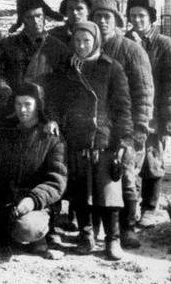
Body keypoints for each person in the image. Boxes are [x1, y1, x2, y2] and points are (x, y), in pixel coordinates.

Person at [47, 22, 133, 260]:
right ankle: (86, 236)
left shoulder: (111, 68)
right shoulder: (66, 69)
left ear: (96, 41)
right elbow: (54, 101)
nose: (82, 46)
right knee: (80, 191)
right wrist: (53, 119)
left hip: (104, 138)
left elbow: (123, 108)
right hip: (76, 138)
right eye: (77, 41)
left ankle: (113, 239)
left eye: (86, 41)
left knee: (109, 192)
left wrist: (124, 139)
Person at [0, 82, 67, 259]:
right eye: (18, 104)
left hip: (33, 204)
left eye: (28, 104)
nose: (22, 110)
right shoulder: (1, 130)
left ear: (38, 105)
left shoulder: (51, 137)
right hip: (1, 200)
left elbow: (57, 180)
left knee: (28, 228)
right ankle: (4, 234)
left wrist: (33, 200)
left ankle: (37, 236)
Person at [90, 0, 154, 249]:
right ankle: (95, 228)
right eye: (98, 16)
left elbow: (144, 93)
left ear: (117, 20)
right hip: (98, 130)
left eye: (108, 17)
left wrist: (138, 132)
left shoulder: (131, 50)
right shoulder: (88, 48)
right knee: (98, 179)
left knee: (126, 177)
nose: (102, 21)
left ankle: (127, 228)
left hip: (125, 127)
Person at [124, 0, 171, 229]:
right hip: (130, 113)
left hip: (155, 115)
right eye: (133, 15)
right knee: (129, 161)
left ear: (151, 18)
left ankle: (149, 207)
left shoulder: (166, 45)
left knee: (152, 162)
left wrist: (168, 120)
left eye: (142, 15)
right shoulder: (125, 41)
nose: (137, 20)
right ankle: (129, 210)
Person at [0, 0, 70, 122]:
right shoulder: (7, 45)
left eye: (38, 15)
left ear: (45, 16)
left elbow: (62, 86)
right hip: (12, 111)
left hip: (44, 115)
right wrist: (2, 86)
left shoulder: (58, 48)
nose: (35, 21)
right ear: (22, 19)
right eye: (30, 17)